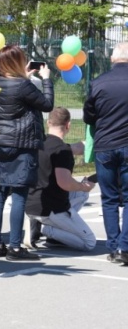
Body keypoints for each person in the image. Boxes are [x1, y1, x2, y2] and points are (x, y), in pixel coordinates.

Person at [0, 44, 53, 261]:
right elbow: (47, 105)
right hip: (22, 145)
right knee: (19, 195)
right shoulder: (23, 85)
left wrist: (24, 76)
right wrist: (46, 79)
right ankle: (15, 247)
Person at [25, 107, 96, 251]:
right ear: (68, 125)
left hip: (30, 201)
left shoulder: (37, 144)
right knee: (89, 242)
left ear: (48, 123)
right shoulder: (62, 150)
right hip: (50, 208)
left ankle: (48, 230)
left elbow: (78, 147)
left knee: (81, 195)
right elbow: (65, 183)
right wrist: (83, 186)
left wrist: (93, 143)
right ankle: (46, 229)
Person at [83, 41, 128, 263]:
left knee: (109, 198)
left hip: (105, 145)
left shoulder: (98, 82)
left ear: (113, 59)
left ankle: (113, 246)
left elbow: (88, 116)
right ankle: (125, 247)